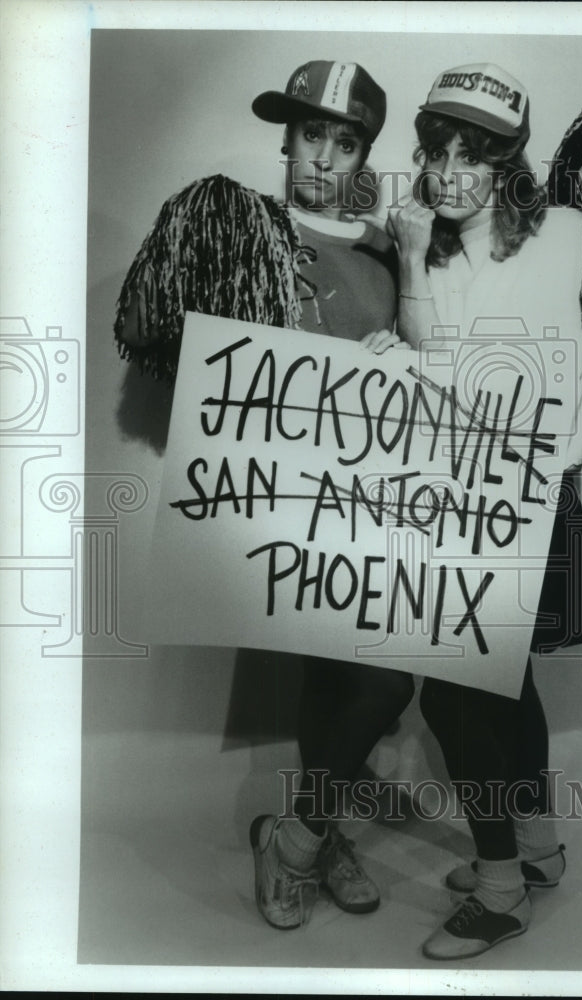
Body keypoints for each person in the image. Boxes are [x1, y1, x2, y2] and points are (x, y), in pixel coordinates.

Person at [388, 63, 582, 960]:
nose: (448, 171)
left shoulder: (565, 233)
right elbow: (432, 371)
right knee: (498, 687)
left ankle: (498, 890)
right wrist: (408, 261)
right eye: (435, 150)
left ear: (508, 161)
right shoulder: (426, 245)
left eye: (471, 154)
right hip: (449, 495)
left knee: (456, 697)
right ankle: (536, 849)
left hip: (534, 496)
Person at [114, 59, 416, 931]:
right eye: (310, 133)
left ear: (364, 152)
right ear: (286, 138)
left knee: (381, 685)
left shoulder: (385, 246)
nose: (322, 154)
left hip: (373, 503)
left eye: (344, 139)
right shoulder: (239, 228)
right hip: (283, 503)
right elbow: (151, 334)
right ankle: (313, 837)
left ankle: (301, 834)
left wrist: (399, 359)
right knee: (339, 678)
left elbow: (425, 373)